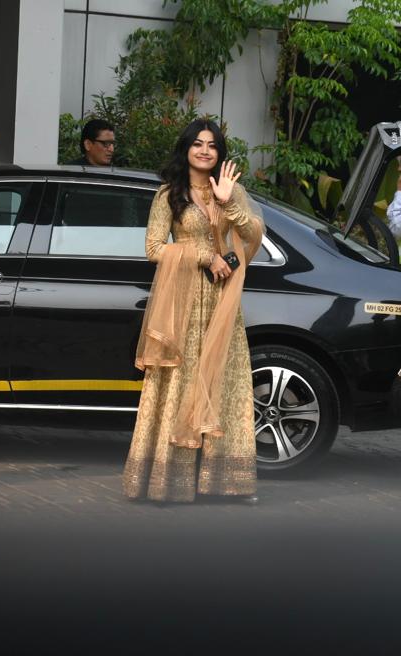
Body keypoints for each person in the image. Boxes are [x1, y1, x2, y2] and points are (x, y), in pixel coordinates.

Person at [122, 119, 263, 503]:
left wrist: (228, 202)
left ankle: (225, 483)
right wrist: (204, 256)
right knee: (180, 384)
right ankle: (166, 481)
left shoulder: (232, 191)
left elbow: (253, 239)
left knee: (224, 383)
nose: (205, 150)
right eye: (198, 143)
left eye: (212, 145)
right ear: (186, 148)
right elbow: (153, 248)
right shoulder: (169, 194)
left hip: (222, 304)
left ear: (220, 153)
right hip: (183, 301)